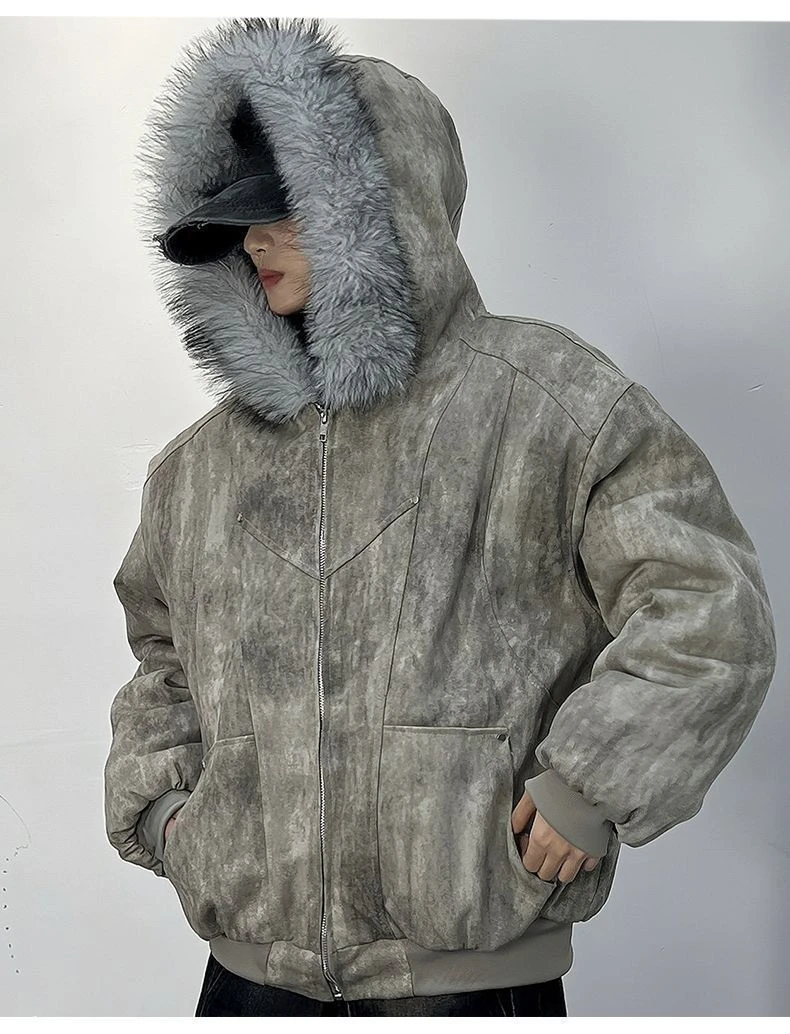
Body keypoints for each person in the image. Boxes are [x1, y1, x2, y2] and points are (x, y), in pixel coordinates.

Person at [103, 16, 777, 1018]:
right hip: (247, 982)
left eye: (289, 210)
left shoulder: (551, 405)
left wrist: (587, 787)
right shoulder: (198, 468)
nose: (256, 240)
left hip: (468, 983)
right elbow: (162, 655)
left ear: (384, 210)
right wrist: (167, 809)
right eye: (242, 218)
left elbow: (708, 611)